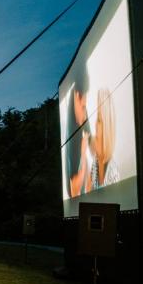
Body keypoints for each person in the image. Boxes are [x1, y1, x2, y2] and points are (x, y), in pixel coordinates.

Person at [88, 87, 120, 191]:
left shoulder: (113, 170)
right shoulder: (95, 162)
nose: (95, 125)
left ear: (107, 125)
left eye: (99, 120)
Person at [66, 70, 92, 198]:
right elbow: (73, 191)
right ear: (76, 96)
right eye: (83, 106)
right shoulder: (72, 144)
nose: (85, 110)